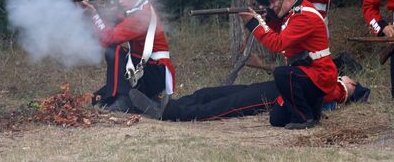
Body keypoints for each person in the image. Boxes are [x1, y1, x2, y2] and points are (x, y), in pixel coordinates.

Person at [237, 0, 342, 129]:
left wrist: (254, 23)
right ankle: (311, 110)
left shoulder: (303, 16)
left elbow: (278, 43)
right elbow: (281, 32)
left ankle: (305, 118)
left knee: (282, 73)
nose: (270, 6)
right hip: (306, 74)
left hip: (319, 76)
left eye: (272, 2)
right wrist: (268, 19)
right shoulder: (292, 14)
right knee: (277, 119)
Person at [81, 0, 175, 112]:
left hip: (156, 71)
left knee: (114, 51)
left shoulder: (141, 15)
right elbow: (113, 25)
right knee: (97, 98)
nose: (120, 0)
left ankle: (123, 99)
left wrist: (95, 15)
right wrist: (99, 14)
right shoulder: (138, 10)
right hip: (145, 70)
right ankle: (144, 100)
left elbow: (110, 38)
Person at [128, 75, 369, 121]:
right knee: (213, 93)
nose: (348, 78)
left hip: (278, 95)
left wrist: (342, 85)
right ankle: (173, 104)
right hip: (276, 84)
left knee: (225, 106)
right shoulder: (333, 82)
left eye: (351, 81)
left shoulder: (338, 93)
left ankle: (174, 114)